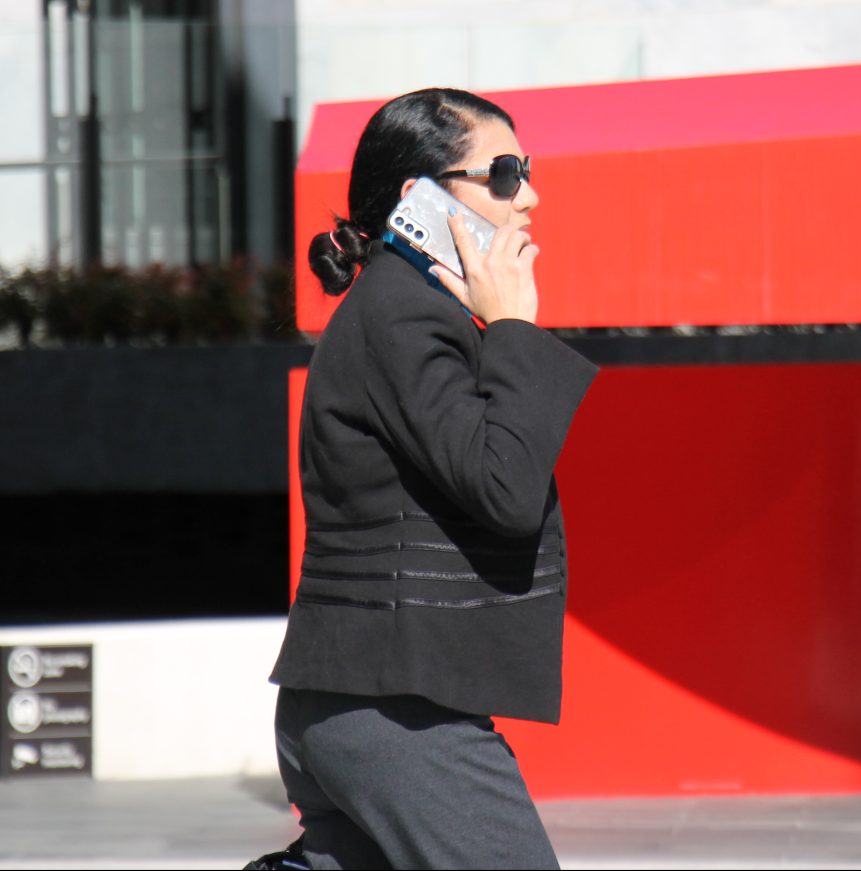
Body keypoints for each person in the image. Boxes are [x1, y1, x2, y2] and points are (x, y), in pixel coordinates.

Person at [267, 88, 598, 870]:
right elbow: (504, 488)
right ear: (422, 195)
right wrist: (515, 326)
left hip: (367, 698)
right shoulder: (401, 313)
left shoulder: (404, 310)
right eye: (506, 173)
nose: (531, 196)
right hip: (394, 707)